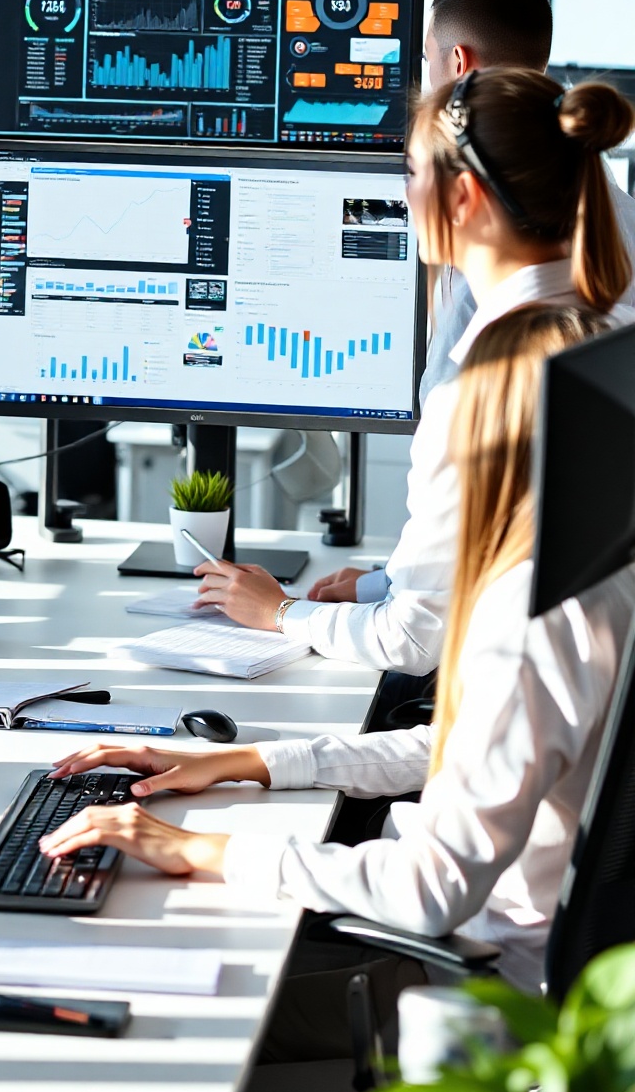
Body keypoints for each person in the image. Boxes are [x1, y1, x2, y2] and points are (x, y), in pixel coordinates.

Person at [38, 304, 632, 1007]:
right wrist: (252, 761)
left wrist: (201, 850)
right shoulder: (595, 580)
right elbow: (472, 748)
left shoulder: (535, 616)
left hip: (472, 999)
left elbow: (431, 889)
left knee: (139, 1026)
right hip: (490, 959)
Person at [190, 68, 634, 667]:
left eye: (411, 173)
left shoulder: (482, 393)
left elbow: (414, 640)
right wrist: (380, 585)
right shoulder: (609, 338)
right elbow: (509, 562)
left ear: (461, 197)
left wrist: (280, 613)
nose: (402, 196)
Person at [414, 0, 635, 401]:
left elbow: (442, 411)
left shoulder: (485, 246)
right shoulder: (596, 183)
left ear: (458, 62)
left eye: (428, 59)